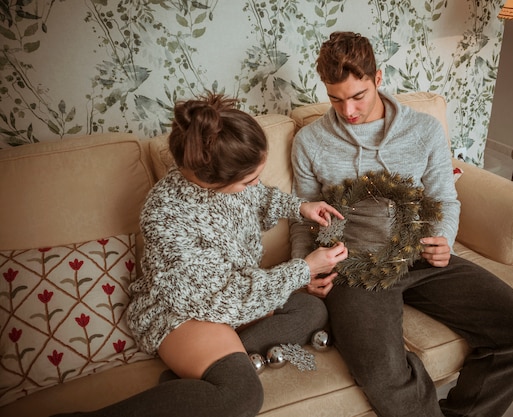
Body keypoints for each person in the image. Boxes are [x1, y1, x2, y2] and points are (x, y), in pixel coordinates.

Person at [289, 31, 513, 417]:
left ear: (377, 79)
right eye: (335, 98)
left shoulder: (424, 130)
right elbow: (303, 217)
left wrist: (443, 238)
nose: (347, 111)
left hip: (417, 255)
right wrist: (303, 269)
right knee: (382, 373)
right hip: (354, 266)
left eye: (357, 96)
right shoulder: (310, 142)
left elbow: (444, 198)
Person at [53, 93, 348, 417]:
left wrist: (299, 206)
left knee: (311, 311)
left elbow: (257, 196)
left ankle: (193, 382)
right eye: (248, 180)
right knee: (243, 395)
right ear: (211, 180)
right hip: (183, 312)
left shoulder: (231, 180)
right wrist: (302, 270)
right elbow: (223, 296)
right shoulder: (166, 216)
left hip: (232, 297)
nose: (255, 185)